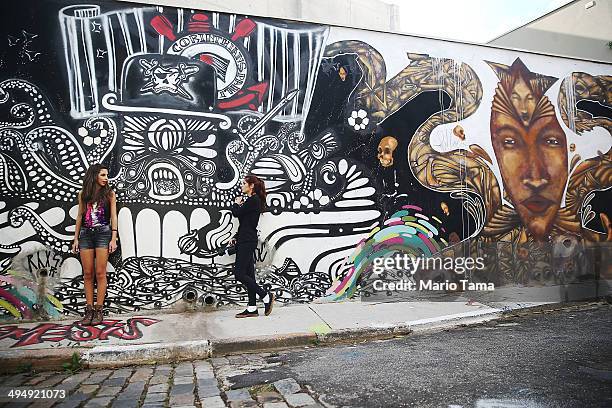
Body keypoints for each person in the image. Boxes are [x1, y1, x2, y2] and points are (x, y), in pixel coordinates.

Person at [71, 164, 118, 325]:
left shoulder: (110, 194)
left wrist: (113, 237)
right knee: (88, 273)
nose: (106, 178)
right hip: (85, 234)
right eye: (103, 175)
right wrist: (76, 238)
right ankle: (89, 310)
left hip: (103, 234)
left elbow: (113, 216)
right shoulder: (83, 194)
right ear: (94, 176)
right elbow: (79, 216)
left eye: (107, 175)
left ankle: (99, 310)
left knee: (100, 273)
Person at [230, 175, 274, 318]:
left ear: (251, 186)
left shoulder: (253, 201)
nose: (242, 185)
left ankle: (265, 296)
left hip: (247, 241)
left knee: (240, 274)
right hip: (245, 239)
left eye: (244, 183)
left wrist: (237, 203)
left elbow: (236, 213)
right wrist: (236, 237)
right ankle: (252, 308)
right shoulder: (251, 202)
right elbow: (245, 224)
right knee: (249, 276)